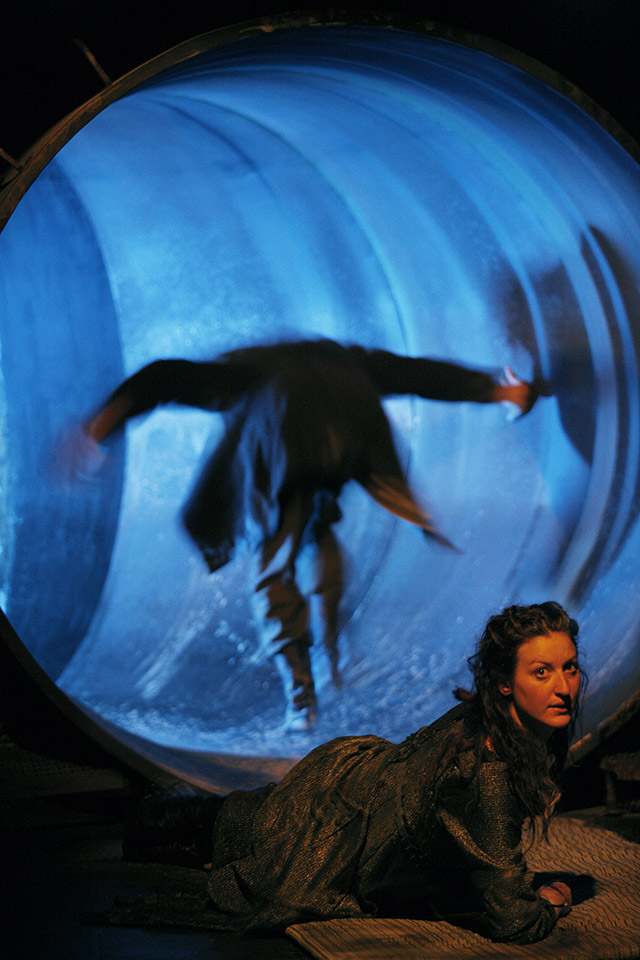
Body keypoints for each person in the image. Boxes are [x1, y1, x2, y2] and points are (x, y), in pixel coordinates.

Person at [69, 338, 544, 729]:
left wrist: (97, 427)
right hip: (353, 438)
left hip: (285, 442)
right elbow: (416, 374)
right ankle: (335, 657)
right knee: (318, 532)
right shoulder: (343, 358)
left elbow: (163, 377)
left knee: (273, 562)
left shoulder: (250, 370)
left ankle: (301, 699)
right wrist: (499, 390)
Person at [123, 601, 582, 945]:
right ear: (504, 683)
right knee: (232, 832)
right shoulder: (487, 776)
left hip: (357, 790)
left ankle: (164, 815)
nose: (563, 687)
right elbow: (515, 922)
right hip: (337, 835)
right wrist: (554, 899)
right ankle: (153, 818)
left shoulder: (494, 720)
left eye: (570, 668)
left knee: (233, 821)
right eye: (541, 672)